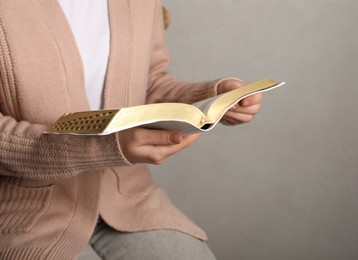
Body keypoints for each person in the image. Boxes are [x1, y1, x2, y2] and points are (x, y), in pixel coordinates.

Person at [0, 0, 262, 259]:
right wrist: (101, 147)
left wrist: (212, 99)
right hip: (24, 212)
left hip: (130, 197)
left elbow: (149, 82)